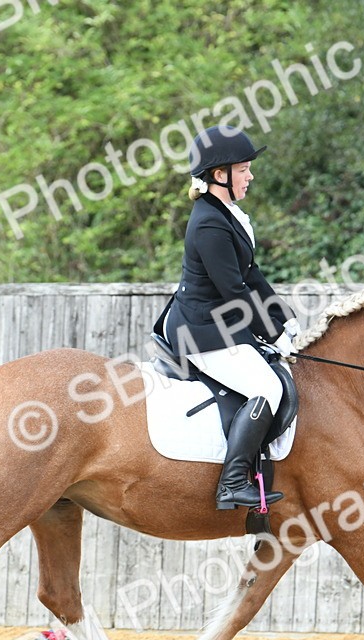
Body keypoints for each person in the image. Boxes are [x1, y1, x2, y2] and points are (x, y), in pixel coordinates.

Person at [156, 125, 301, 510]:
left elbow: (250, 275)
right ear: (220, 175)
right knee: (267, 388)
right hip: (199, 330)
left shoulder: (228, 215)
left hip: (217, 321)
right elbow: (233, 293)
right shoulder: (208, 223)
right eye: (244, 169)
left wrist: (282, 319)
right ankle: (233, 482)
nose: (250, 175)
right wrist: (271, 333)